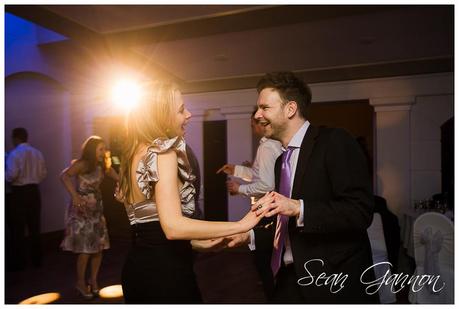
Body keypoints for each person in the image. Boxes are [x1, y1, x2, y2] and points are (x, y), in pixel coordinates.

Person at [206, 72, 377, 303]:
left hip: (332, 281)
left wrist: (298, 207)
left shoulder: (334, 141)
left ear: (290, 109)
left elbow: (360, 212)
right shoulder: (280, 161)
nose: (258, 115)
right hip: (289, 277)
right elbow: (284, 226)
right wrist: (249, 236)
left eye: (264, 107)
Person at [116, 80, 268, 303]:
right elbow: (172, 227)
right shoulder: (163, 154)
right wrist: (240, 224)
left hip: (138, 269)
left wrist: (199, 242)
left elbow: (151, 227)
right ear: (160, 115)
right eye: (180, 110)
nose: (188, 114)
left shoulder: (132, 155)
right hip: (166, 275)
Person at [60, 136, 119, 299]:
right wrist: (75, 196)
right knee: (85, 249)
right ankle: (80, 282)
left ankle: (93, 281)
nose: (103, 151)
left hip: (97, 209)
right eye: (100, 149)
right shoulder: (82, 164)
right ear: (92, 150)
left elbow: (115, 174)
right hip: (82, 210)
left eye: (104, 148)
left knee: (98, 247)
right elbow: (64, 176)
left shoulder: (103, 165)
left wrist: (123, 182)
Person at [5, 128, 47, 271]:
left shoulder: (14, 154)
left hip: (19, 193)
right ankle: (37, 260)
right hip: (34, 192)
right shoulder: (37, 153)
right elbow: (42, 174)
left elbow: (11, 175)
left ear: (16, 138)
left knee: (18, 229)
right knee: (35, 226)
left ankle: (20, 262)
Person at [217, 109, 282, 200]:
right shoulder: (271, 144)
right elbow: (259, 175)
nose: (252, 130)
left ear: (261, 124)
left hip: (269, 205)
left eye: (252, 126)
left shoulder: (267, 147)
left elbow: (267, 186)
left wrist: (239, 188)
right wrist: (236, 170)